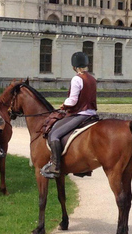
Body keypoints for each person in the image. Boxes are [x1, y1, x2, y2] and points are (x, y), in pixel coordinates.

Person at [40, 51, 97, 179]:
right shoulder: (92, 78)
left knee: (54, 134)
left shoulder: (77, 78)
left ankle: (55, 166)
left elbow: (73, 100)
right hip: (92, 114)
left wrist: (63, 105)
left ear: (74, 66)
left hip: (80, 114)